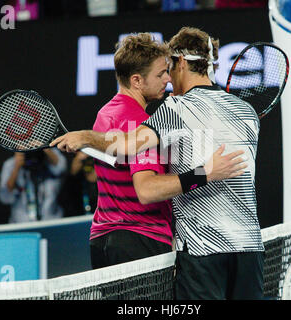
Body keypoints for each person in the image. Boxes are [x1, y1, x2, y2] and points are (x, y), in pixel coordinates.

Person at [51, 32, 247, 271]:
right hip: (139, 242)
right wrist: (205, 173)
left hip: (103, 240)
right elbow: (148, 190)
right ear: (137, 81)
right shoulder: (138, 123)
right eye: (160, 74)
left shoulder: (107, 113)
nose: (167, 78)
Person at [0, 149, 67, 223]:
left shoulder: (50, 157)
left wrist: (43, 147)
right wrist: (16, 167)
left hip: (51, 221)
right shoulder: (11, 163)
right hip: (21, 223)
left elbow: (61, 168)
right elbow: (5, 198)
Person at [58, 151, 98, 216]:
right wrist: (79, 159)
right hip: (76, 214)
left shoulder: (105, 181)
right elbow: (73, 171)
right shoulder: (71, 184)